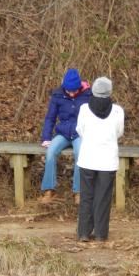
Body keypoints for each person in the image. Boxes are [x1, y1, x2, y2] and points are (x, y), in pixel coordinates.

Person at [76, 77, 124, 242]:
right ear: (110, 92)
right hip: (108, 160)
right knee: (103, 197)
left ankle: (83, 232)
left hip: (88, 158)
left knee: (86, 196)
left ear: (93, 90)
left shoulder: (84, 109)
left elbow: (80, 130)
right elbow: (119, 132)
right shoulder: (118, 111)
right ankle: (101, 233)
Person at [39, 68, 91, 204]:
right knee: (50, 152)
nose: (71, 93)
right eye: (69, 90)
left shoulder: (88, 95)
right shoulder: (57, 95)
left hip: (80, 133)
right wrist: (46, 138)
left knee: (80, 154)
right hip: (62, 133)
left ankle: (78, 191)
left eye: (74, 90)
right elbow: (50, 118)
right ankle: (49, 190)